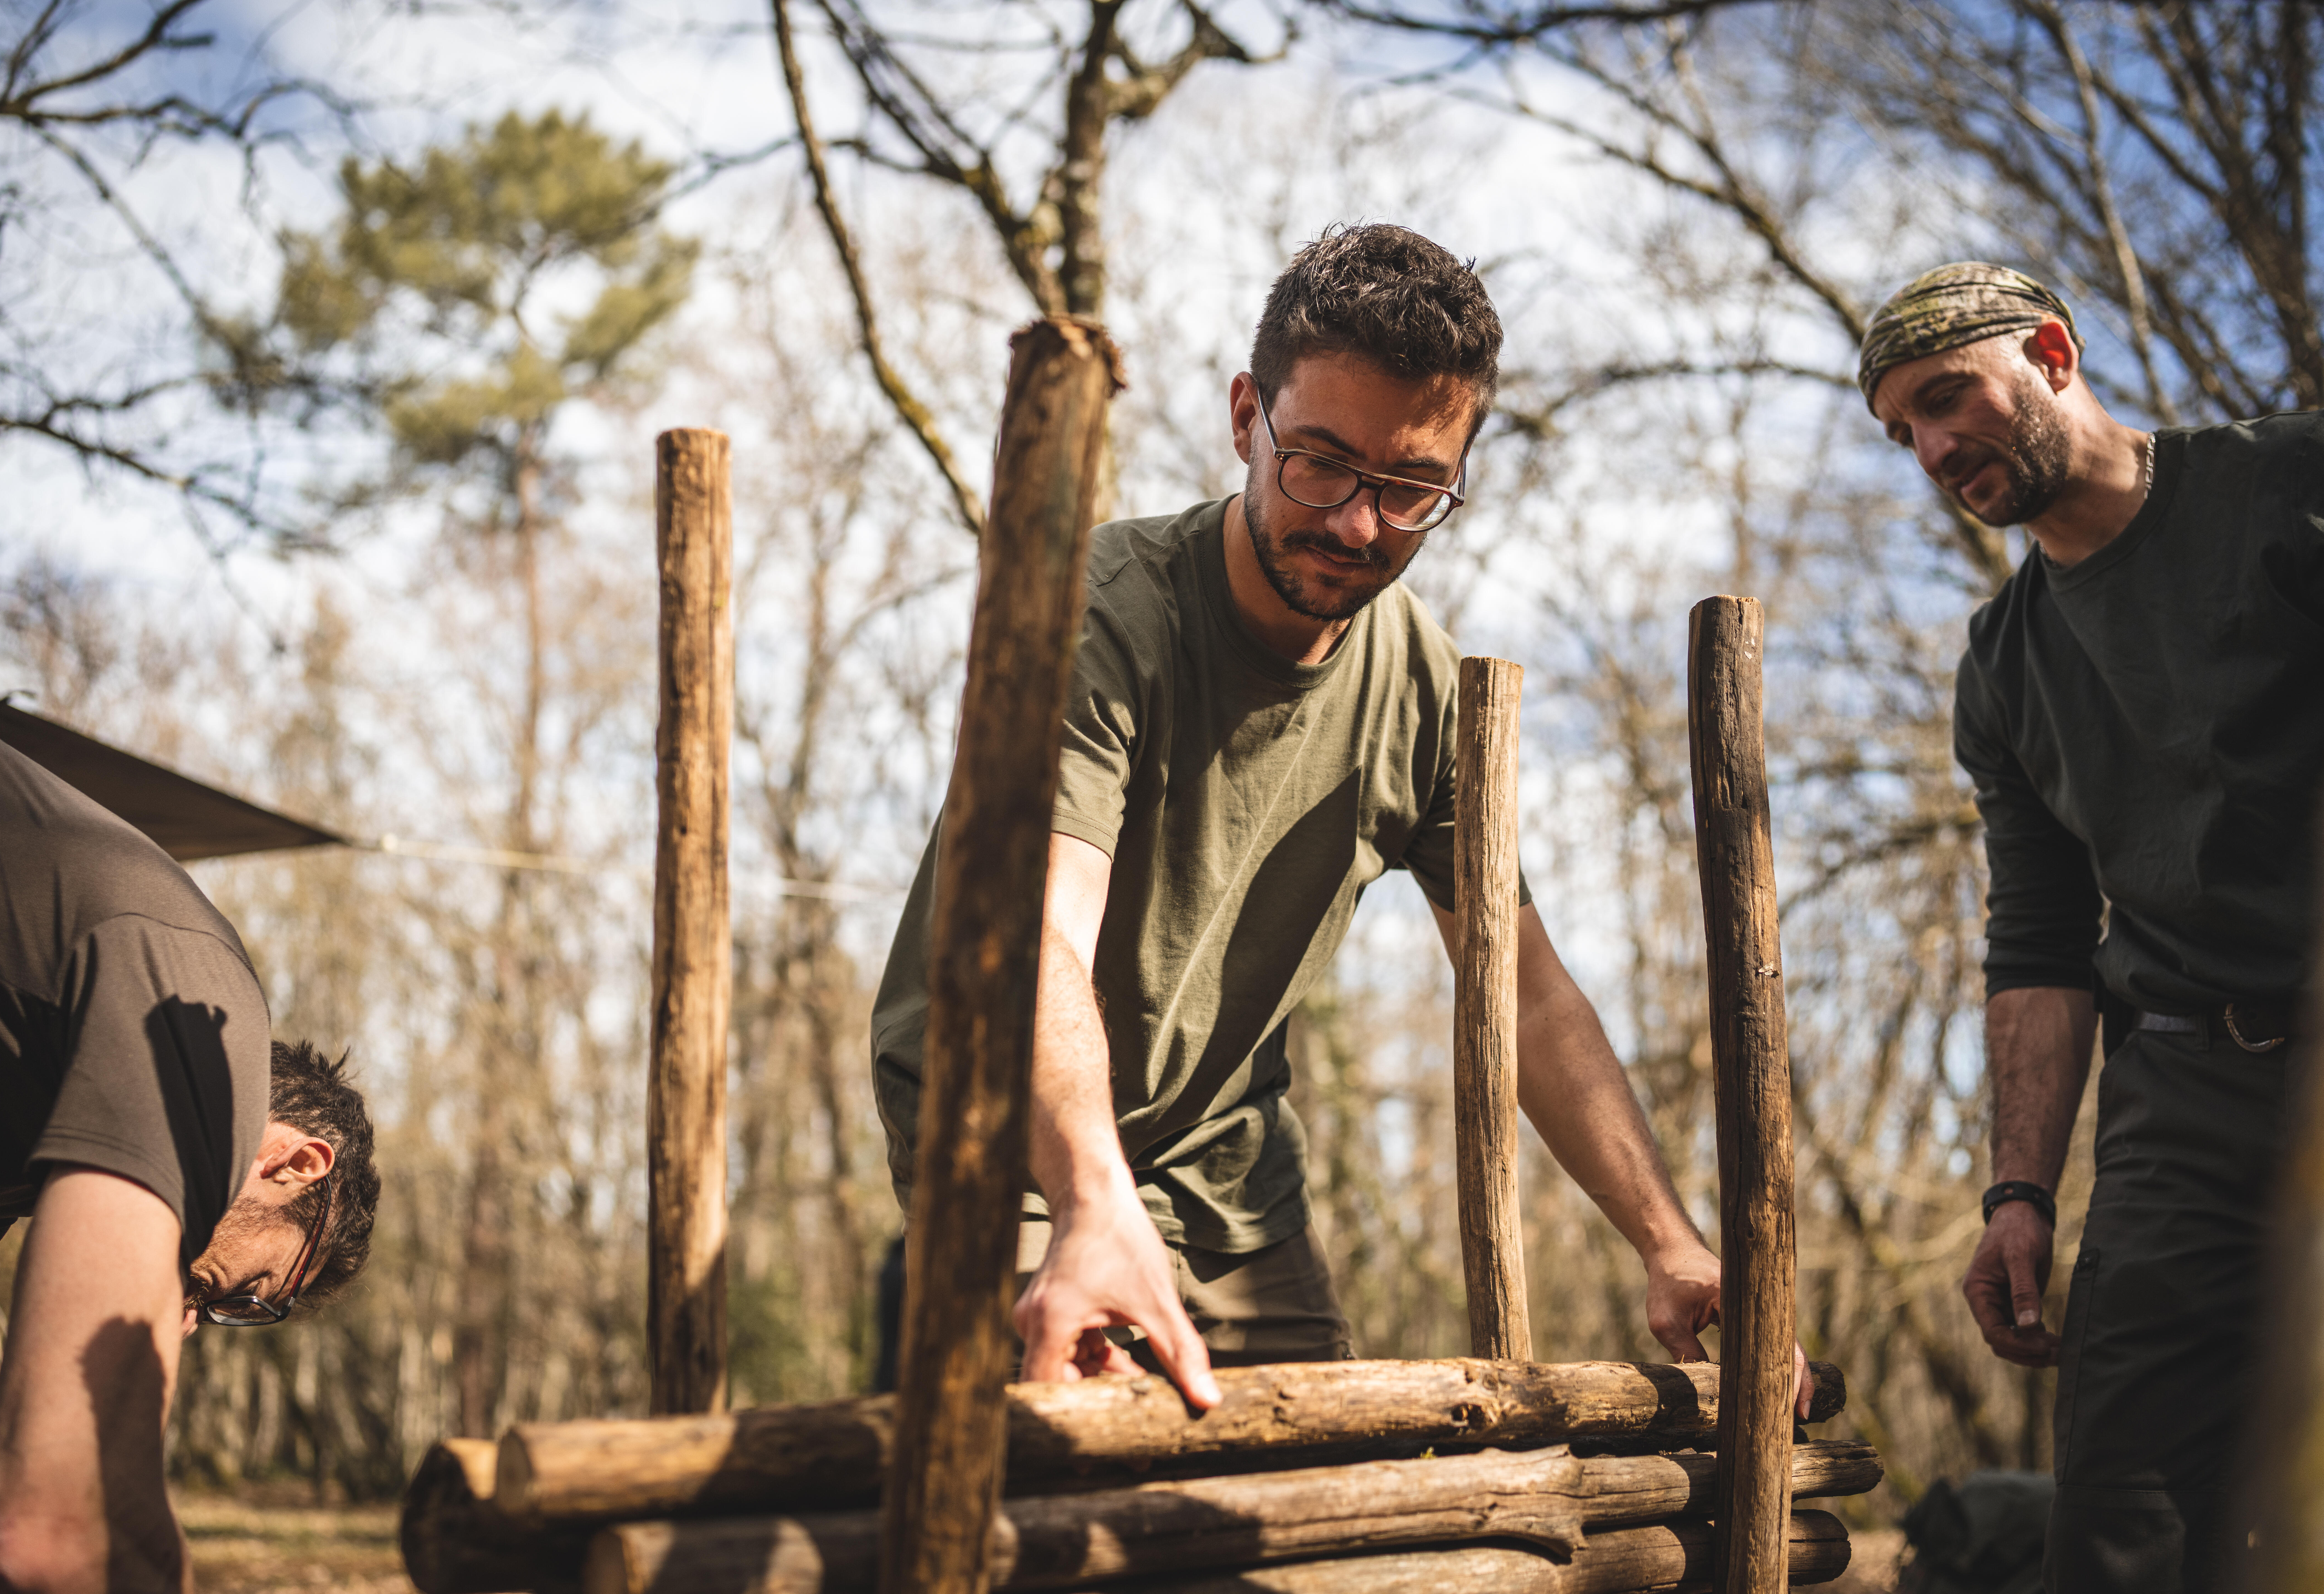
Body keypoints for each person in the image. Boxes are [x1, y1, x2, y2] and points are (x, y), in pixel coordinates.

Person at [874, 223, 1807, 1413]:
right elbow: (1033, 937)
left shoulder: (1422, 684)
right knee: (1069, 1517)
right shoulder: (1103, 616)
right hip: (1019, 1153)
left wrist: (1668, 1240)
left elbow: (1523, 986)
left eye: (1412, 488)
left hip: (1234, 1184)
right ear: (1243, 418)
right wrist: (1095, 1208)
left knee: (1316, 1513)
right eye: (1318, 463)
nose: (1360, 524)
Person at [1861, 262, 2324, 1593]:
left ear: (2053, 353)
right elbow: (2042, 943)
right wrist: (2018, 1195)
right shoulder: (2004, 667)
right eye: (1906, 433)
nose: (1936, 448)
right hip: (2180, 1096)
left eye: (1949, 399)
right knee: (2118, 1524)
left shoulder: (2285, 489)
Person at [0, 692, 381, 1593]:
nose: (200, 1315)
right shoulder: (211, 1031)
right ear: (296, 1161)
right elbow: (51, 1530)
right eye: (249, 1292)